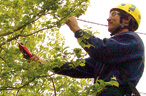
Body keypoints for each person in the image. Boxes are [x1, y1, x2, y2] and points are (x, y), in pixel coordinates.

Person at [29, 3, 144, 96]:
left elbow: (100, 49)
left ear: (127, 20)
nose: (108, 19)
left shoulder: (132, 41)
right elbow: (77, 68)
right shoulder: (110, 54)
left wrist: (76, 29)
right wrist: (43, 63)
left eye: (113, 14)